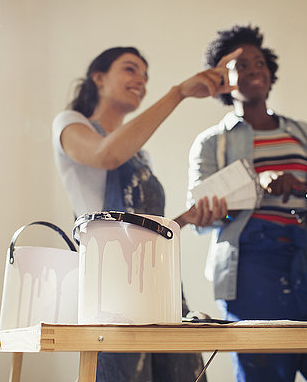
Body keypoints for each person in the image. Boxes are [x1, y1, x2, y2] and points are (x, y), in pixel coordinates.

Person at [187, 25, 307, 382]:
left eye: (259, 62)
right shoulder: (211, 143)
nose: (253, 70)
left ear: (270, 71)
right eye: (240, 65)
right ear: (220, 80)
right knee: (265, 373)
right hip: (251, 267)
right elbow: (200, 215)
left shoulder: (303, 133)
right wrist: (256, 185)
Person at [52, 46, 236, 381]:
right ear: (99, 77)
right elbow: (107, 155)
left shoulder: (141, 156)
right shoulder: (71, 124)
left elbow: (142, 230)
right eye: (131, 69)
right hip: (111, 292)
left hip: (159, 284)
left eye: (146, 76)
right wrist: (178, 93)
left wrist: (185, 219)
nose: (141, 80)